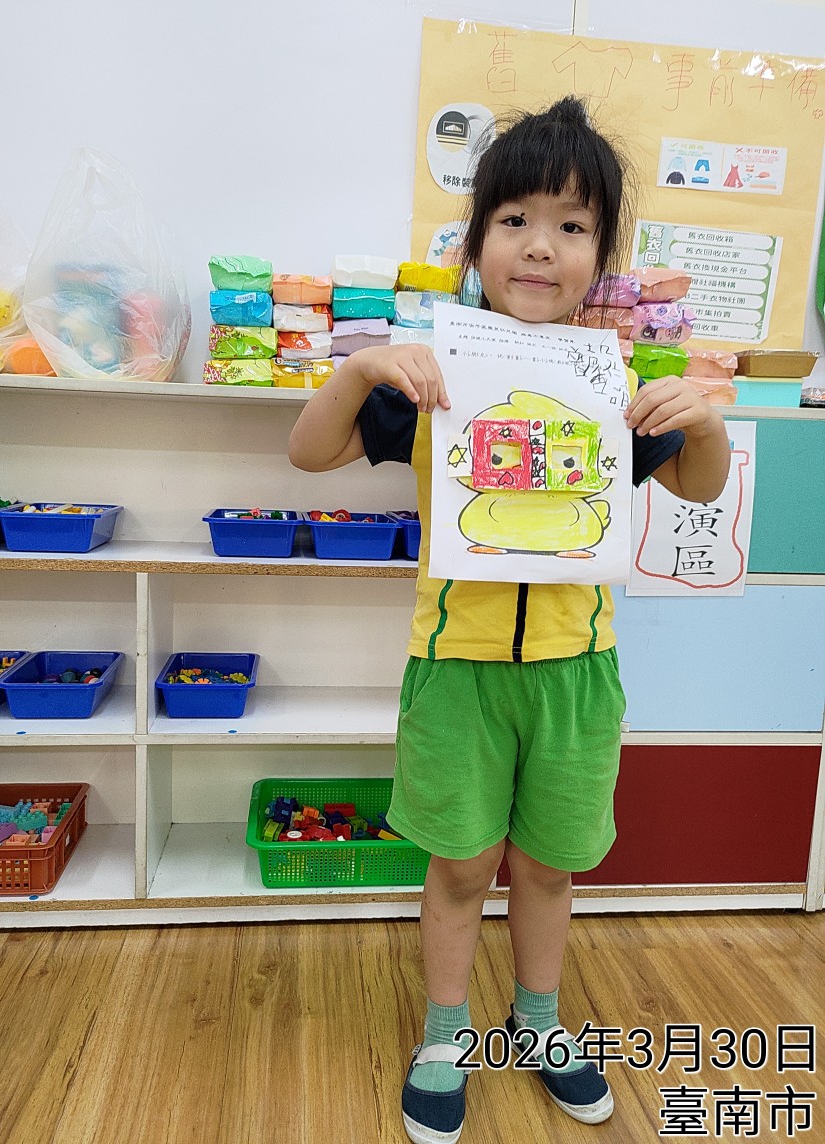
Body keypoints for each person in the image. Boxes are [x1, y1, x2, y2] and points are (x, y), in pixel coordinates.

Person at [289, 96, 730, 1144]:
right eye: (516, 219)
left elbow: (700, 486)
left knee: (548, 865)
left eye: (573, 226)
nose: (541, 245)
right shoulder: (430, 373)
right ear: (476, 241)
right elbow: (310, 453)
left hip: (577, 669)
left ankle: (537, 1022)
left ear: (600, 256)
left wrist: (703, 421)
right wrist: (361, 367)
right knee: (458, 865)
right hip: (458, 666)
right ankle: (445, 1033)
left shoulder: (611, 380)